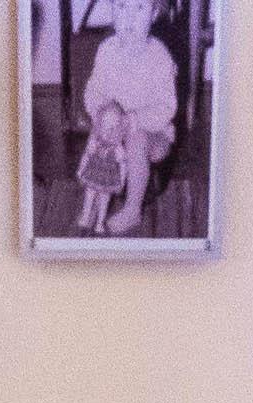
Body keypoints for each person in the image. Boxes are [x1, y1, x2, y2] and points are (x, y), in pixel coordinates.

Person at [75, 0, 180, 236]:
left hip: (153, 132)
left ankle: (133, 209)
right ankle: (94, 196)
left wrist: (134, 120)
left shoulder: (159, 57)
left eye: (140, 8)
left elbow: (166, 107)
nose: (130, 17)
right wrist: (100, 113)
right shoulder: (107, 50)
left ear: (154, 14)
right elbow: (93, 90)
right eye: (122, 6)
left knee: (136, 139)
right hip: (114, 129)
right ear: (112, 9)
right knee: (97, 135)